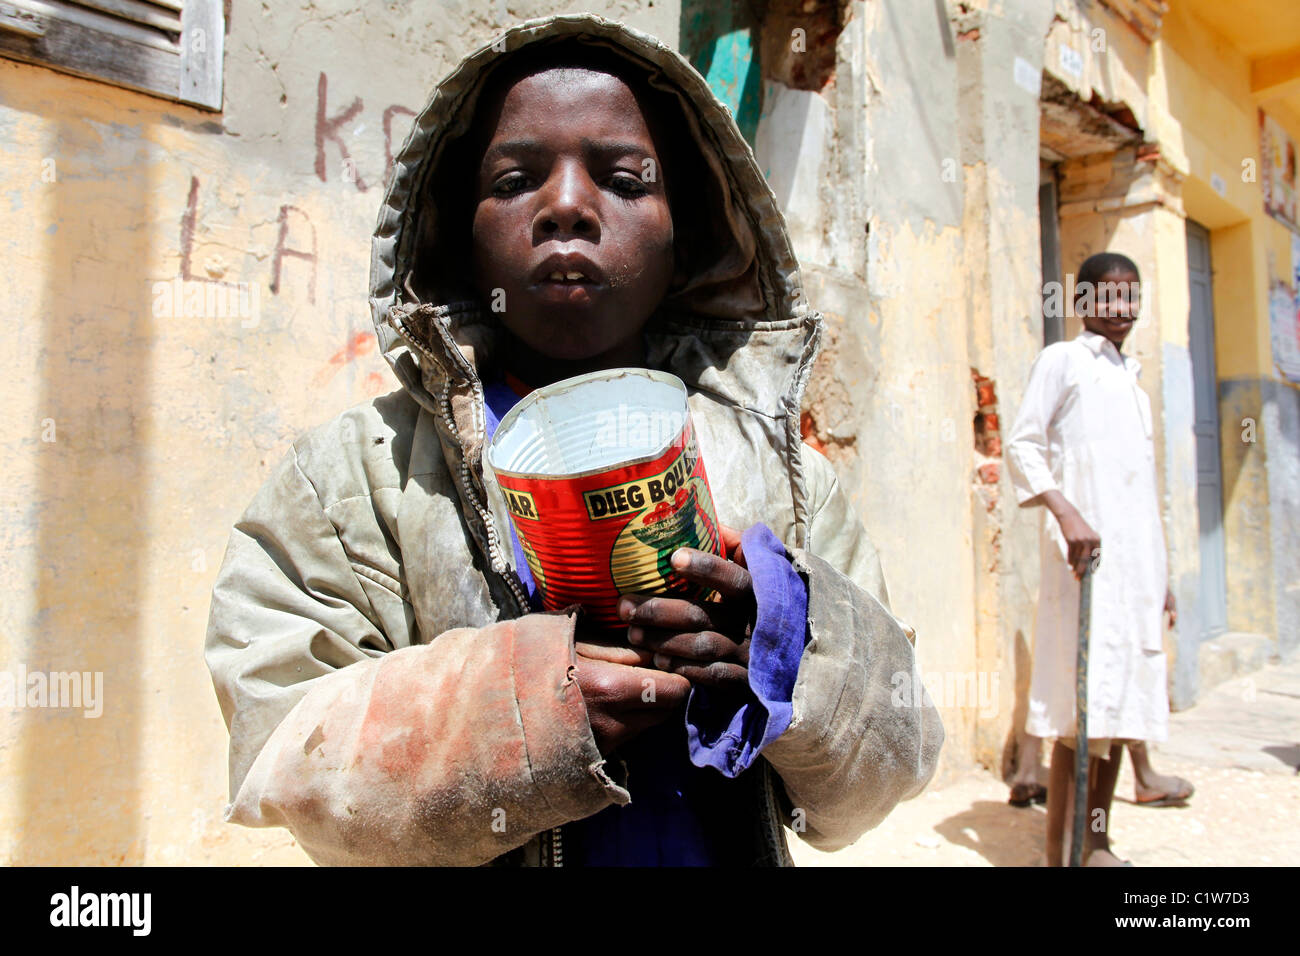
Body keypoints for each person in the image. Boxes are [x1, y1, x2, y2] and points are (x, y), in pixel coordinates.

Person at [204, 16, 942, 867]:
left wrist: (783, 652)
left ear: (685, 238)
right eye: (515, 178)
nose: (564, 205)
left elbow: (897, 756)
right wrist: (515, 717)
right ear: (457, 229)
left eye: (625, 180)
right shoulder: (351, 482)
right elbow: (279, 738)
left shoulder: (787, 479)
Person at [1005, 252, 1187, 866]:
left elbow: (1141, 490)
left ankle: (1098, 844)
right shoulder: (1063, 361)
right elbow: (1023, 444)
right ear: (1082, 302)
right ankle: (1064, 852)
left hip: (1134, 572)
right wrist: (1065, 511)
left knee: (1117, 706)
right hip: (1083, 564)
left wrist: (1161, 576)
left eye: (1131, 296)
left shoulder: (1133, 381)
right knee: (1076, 711)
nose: (1121, 308)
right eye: (1108, 296)